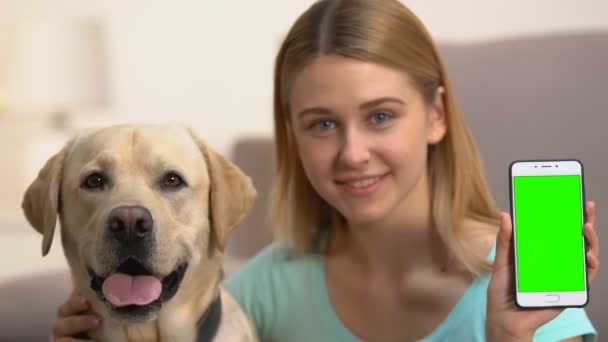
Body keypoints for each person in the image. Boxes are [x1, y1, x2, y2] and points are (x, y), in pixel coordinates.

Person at [52, 0, 600, 341]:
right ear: (292, 135)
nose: (352, 153)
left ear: (436, 116)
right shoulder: (266, 287)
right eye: (321, 124)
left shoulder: (524, 291)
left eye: (380, 116)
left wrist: (508, 340)